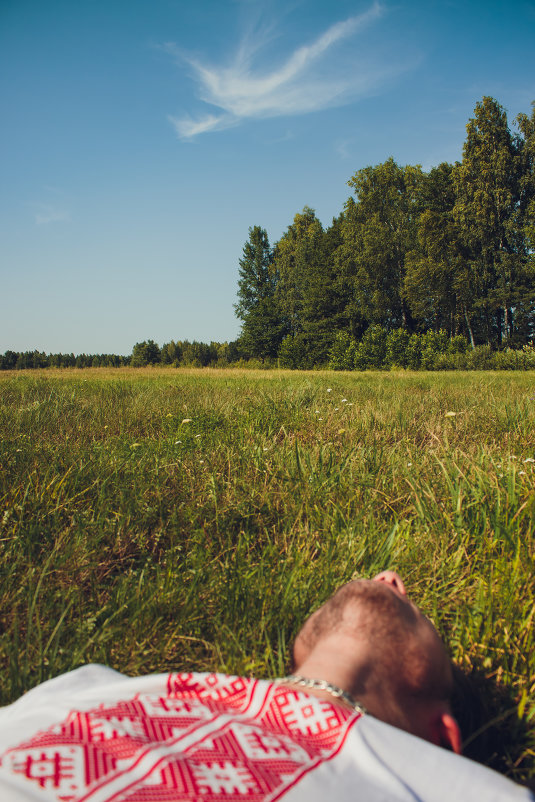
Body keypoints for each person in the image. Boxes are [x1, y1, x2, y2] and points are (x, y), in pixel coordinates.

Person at [0, 571, 532, 801]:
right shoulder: (91, 685)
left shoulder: (449, 788)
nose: (391, 580)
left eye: (417, 613)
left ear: (444, 739)